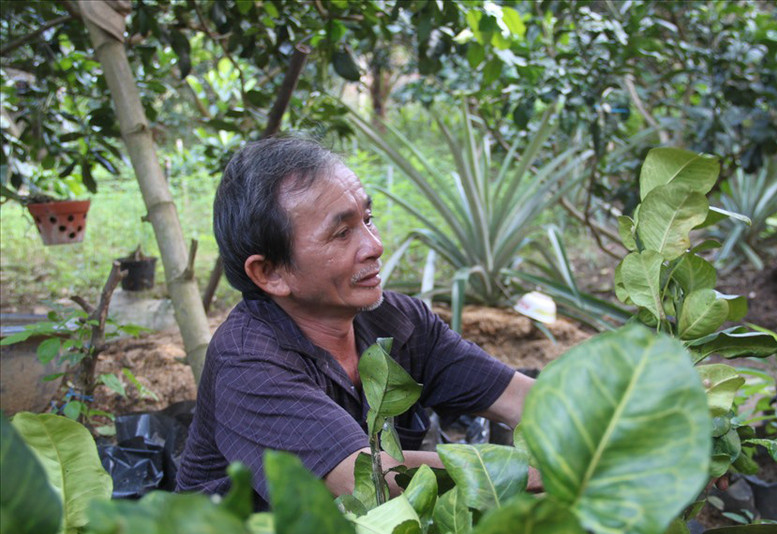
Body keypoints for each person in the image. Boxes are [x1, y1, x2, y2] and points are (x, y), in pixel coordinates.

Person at [175, 136, 537, 509]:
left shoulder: (398, 321)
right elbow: (370, 479)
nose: (375, 246)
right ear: (270, 273)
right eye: (342, 232)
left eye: (368, 219)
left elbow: (518, 397)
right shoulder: (248, 363)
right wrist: (526, 472)